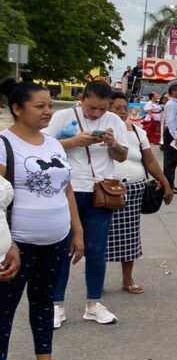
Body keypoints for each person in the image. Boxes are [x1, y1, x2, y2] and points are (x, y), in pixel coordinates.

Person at [0, 79, 81, 360]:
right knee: (4, 307)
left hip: (56, 239)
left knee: (45, 301)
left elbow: (66, 187)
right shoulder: (4, 144)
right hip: (17, 244)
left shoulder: (53, 144)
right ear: (17, 109)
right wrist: (9, 245)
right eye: (40, 106)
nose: (48, 111)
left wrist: (77, 230)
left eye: (50, 105)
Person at [46, 80, 129, 327]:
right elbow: (42, 147)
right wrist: (74, 142)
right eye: (92, 108)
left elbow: (122, 155)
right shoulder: (62, 117)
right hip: (67, 188)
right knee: (62, 249)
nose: (97, 114)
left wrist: (113, 144)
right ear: (81, 98)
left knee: (96, 249)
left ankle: (94, 303)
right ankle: (56, 305)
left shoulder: (113, 120)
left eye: (103, 109)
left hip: (100, 190)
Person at [105, 91, 174, 294]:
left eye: (125, 108)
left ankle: (127, 280)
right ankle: (96, 280)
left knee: (130, 238)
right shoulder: (100, 132)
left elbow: (150, 161)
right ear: (106, 109)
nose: (121, 112)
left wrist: (165, 182)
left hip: (133, 189)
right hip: (105, 190)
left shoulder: (137, 132)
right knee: (100, 238)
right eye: (116, 108)